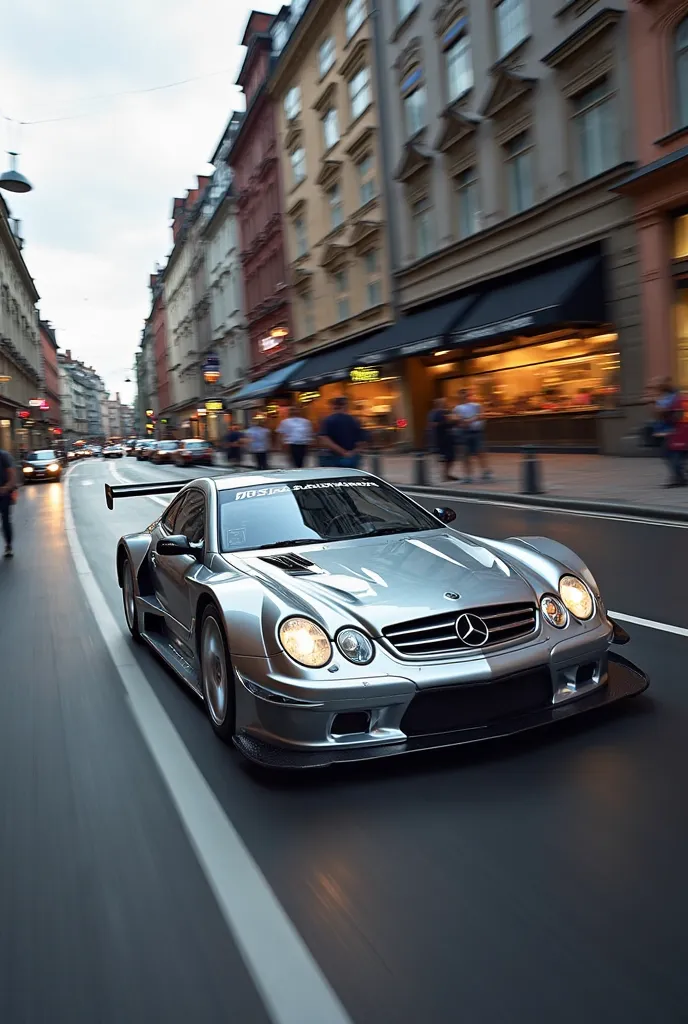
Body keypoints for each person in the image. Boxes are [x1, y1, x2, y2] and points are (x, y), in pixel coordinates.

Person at [454, 388, 492, 483]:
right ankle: (468, 475)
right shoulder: (457, 408)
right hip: (464, 432)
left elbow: (482, 415)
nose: (464, 396)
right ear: (459, 396)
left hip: (476, 432)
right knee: (465, 454)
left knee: (480, 452)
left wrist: (468, 420)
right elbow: (457, 419)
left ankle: (486, 471)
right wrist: (465, 421)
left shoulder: (476, 405)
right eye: (462, 394)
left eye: (466, 394)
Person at [318, 396, 366, 468]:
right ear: (346, 406)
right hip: (351, 458)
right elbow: (362, 442)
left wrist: (343, 452)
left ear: (334, 406)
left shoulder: (328, 420)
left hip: (332, 458)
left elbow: (324, 439)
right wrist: (352, 452)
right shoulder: (355, 420)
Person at [277, 404, 314, 469]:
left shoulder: (305, 422)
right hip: (291, 444)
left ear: (299, 411)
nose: (294, 411)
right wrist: (281, 445)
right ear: (289, 411)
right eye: (292, 410)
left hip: (303, 444)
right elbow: (281, 434)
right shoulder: (285, 422)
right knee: (293, 462)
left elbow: (309, 433)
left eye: (296, 409)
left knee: (302, 462)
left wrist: (310, 443)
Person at [428, 397, 456, 482]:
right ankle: (444, 475)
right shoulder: (435, 413)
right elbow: (433, 424)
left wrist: (452, 421)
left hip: (448, 438)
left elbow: (452, 422)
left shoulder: (446, 412)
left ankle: (446, 474)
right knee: (444, 457)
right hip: (440, 438)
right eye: (443, 402)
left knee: (450, 457)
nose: (445, 403)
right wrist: (446, 421)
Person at [0, 447, 17, 558]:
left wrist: (7, 487)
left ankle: (8, 545)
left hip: (3, 493)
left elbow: (11, 474)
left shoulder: (3, 456)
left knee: (5, 520)